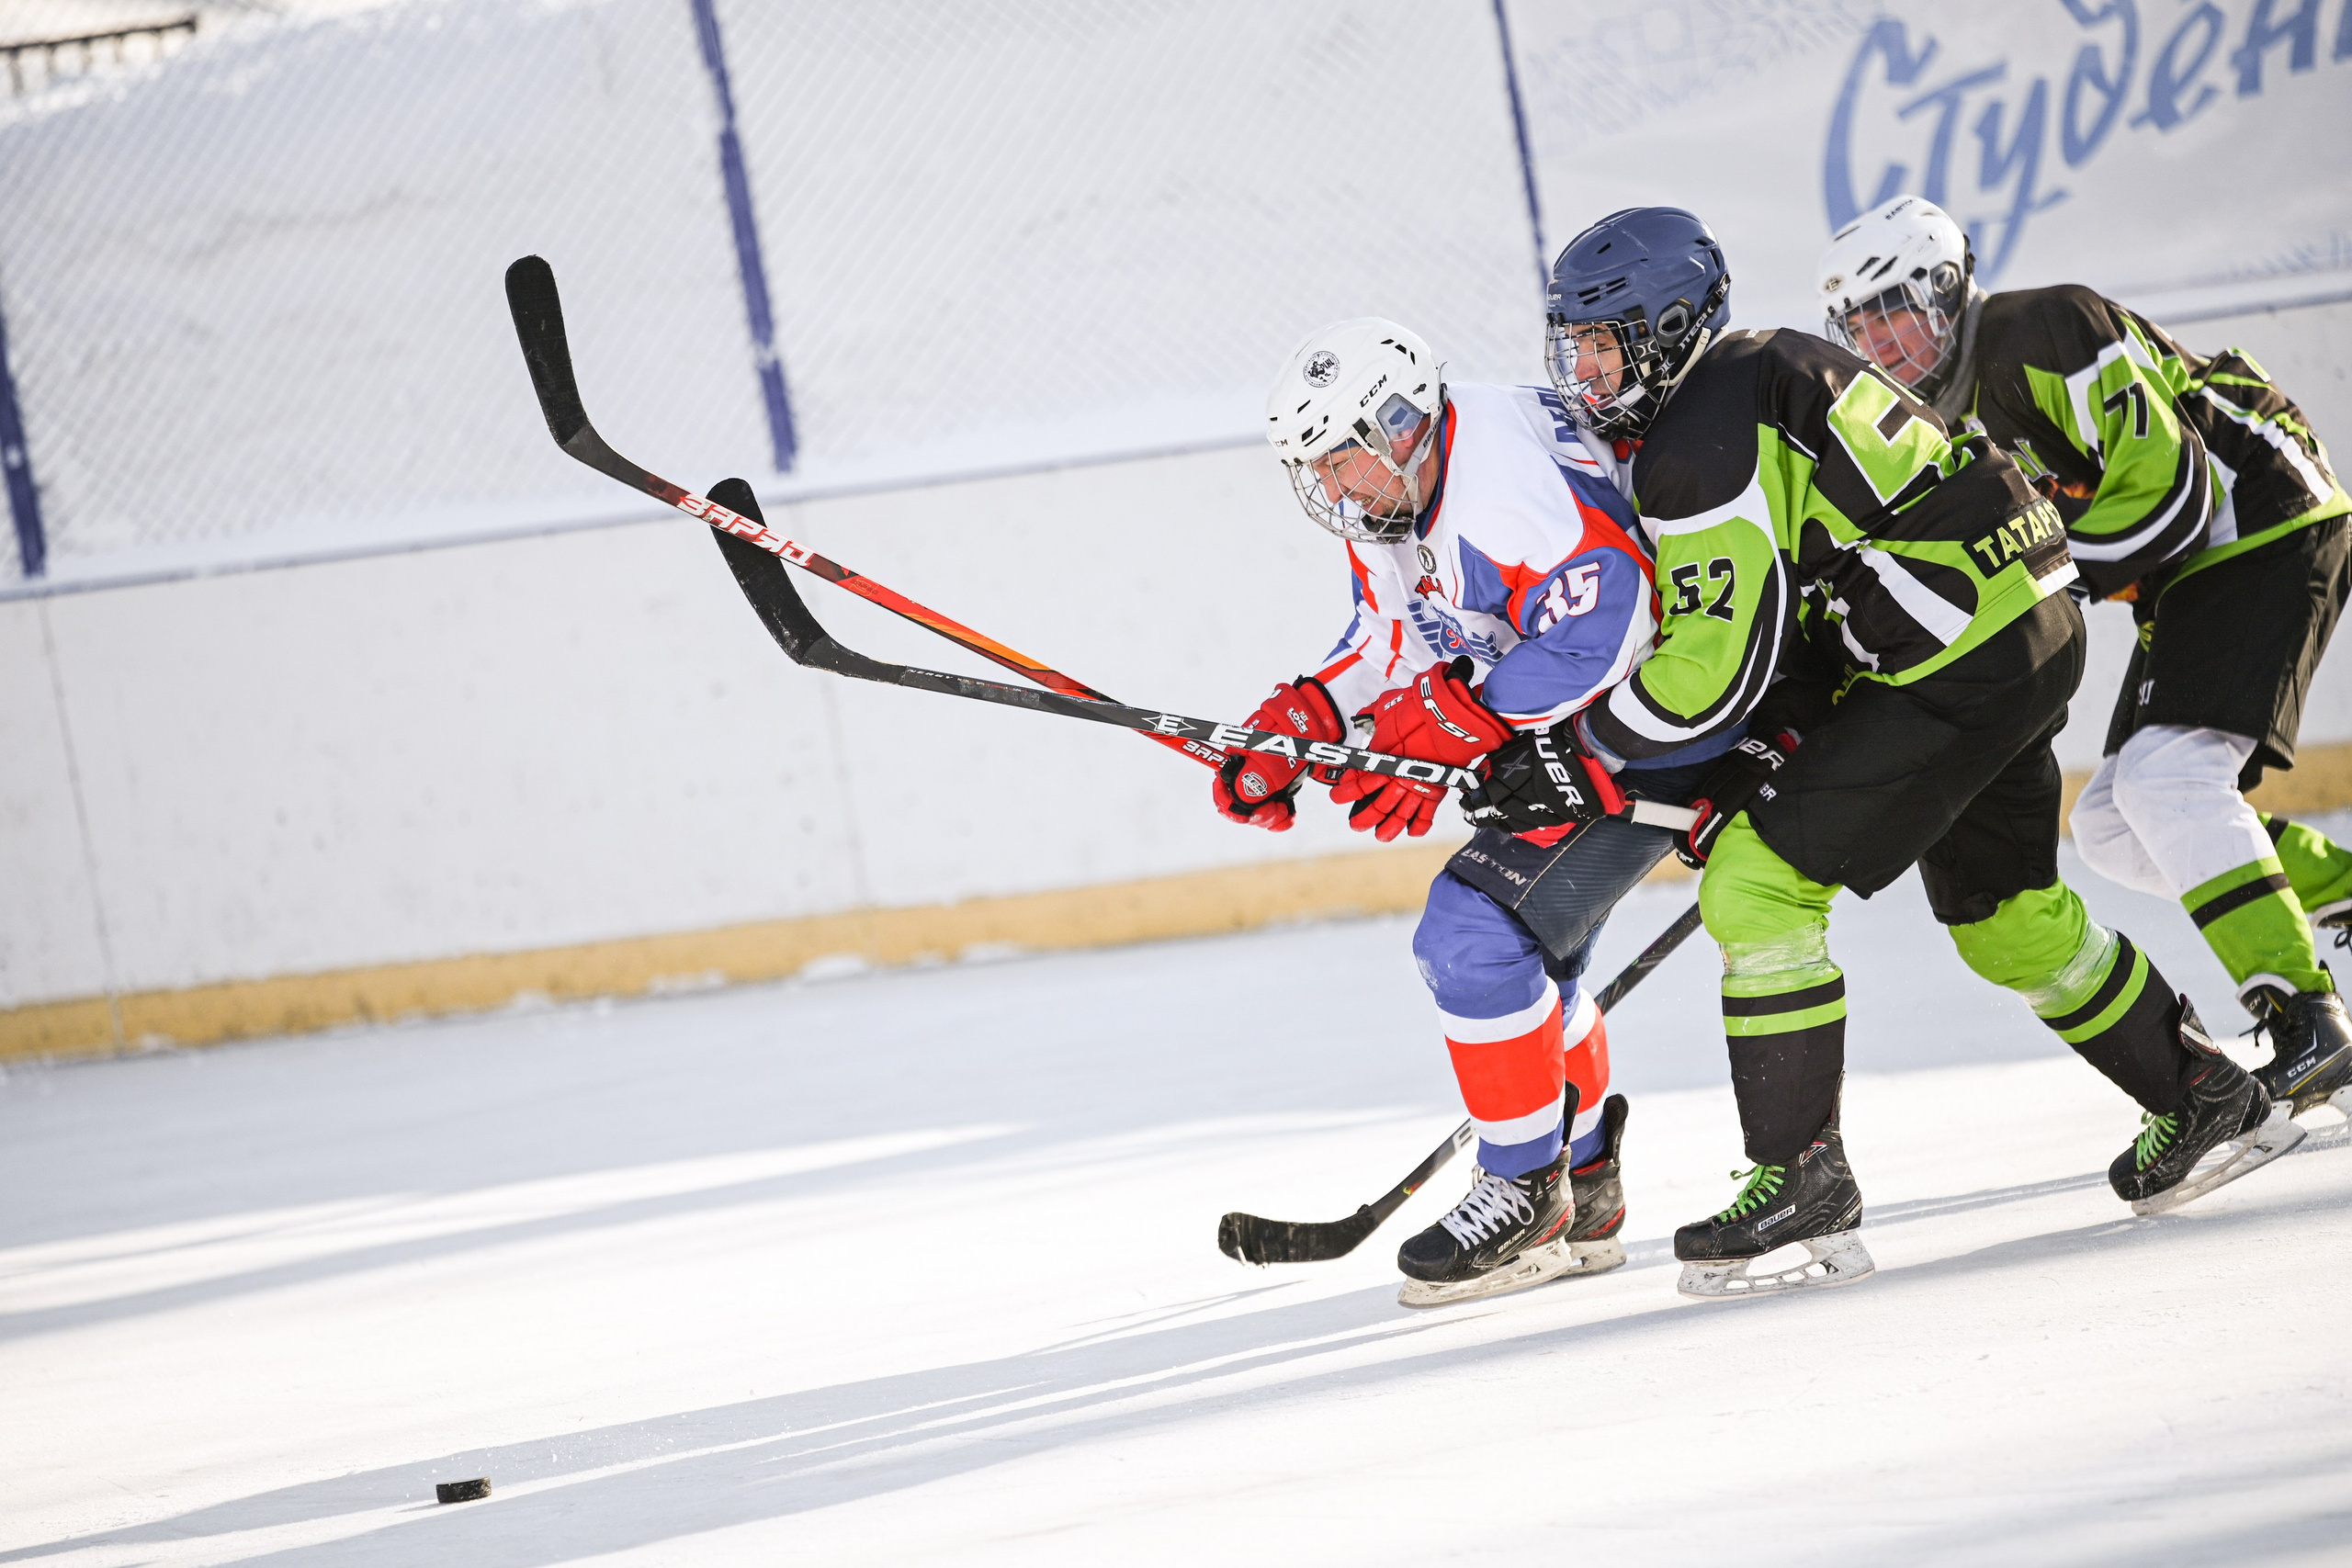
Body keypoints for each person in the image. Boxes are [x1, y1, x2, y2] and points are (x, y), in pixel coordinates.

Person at [1543, 207, 2301, 1301]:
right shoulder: (1765, 367)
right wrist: (1754, 752)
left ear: (1665, 330)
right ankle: (2204, 1092)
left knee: (1759, 884)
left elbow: (1718, 658)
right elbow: (1807, 604)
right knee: (2006, 919)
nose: (1584, 368)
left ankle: (1801, 1180)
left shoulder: (1697, 431)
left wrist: (1583, 749)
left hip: (1955, 651)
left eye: (1603, 342)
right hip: (2022, 620)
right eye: (1571, 343)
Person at [1225, 317, 1737, 1306]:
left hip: (1660, 724)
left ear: (1403, 425)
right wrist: (1312, 709)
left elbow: (1615, 622)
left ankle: (1523, 1194)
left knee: (1472, 937)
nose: (1333, 491)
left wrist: (1463, 712)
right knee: (1533, 957)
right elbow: (1396, 636)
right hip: (1586, 734)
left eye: (1343, 462)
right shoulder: (1403, 494)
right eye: (1317, 472)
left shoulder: (1500, 487)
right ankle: (1582, 1185)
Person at [1815, 195, 2352, 1125]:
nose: (1881, 341)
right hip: (2193, 572)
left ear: (1947, 290)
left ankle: (2306, 1018)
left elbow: (2171, 496)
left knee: (2167, 782)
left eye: (1894, 309)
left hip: (2261, 514)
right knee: (2111, 826)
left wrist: (2028, 588)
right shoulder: (1930, 430)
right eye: (1858, 324)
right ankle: (2340, 893)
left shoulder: (2042, 324)